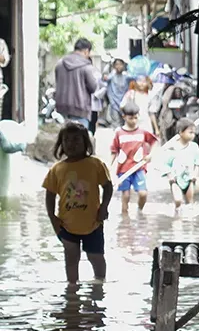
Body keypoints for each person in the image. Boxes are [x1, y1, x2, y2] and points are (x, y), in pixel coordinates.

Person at [43, 122, 112, 284]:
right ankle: (72, 292)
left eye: (76, 140)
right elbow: (50, 195)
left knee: (95, 256)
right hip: (67, 224)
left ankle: (100, 284)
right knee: (71, 258)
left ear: (85, 143)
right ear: (61, 144)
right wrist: (52, 217)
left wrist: (104, 207)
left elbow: (107, 187)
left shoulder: (95, 164)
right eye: (67, 140)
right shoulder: (57, 169)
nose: (71, 144)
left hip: (93, 222)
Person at [111, 101, 158, 215]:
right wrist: (109, 166)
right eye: (130, 118)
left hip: (139, 168)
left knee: (143, 193)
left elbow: (154, 142)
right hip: (123, 169)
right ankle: (125, 218)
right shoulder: (119, 133)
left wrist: (150, 155)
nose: (133, 121)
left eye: (136, 118)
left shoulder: (142, 132)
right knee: (125, 195)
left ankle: (139, 212)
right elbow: (114, 151)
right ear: (124, 117)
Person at [53, 38, 100, 130]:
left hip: (62, 108)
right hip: (80, 109)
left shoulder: (60, 63)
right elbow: (93, 88)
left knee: (65, 137)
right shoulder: (87, 67)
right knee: (80, 139)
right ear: (86, 51)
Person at [160, 118, 199, 210]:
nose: (193, 135)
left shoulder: (194, 147)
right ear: (180, 132)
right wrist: (170, 177)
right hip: (176, 180)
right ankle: (177, 219)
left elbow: (198, 163)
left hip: (189, 179)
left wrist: (194, 175)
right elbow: (166, 165)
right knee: (178, 201)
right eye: (190, 132)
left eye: (194, 133)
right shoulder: (172, 148)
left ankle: (189, 222)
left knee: (189, 204)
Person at [101, 58, 131, 127]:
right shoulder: (111, 76)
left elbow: (135, 78)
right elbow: (104, 78)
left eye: (120, 64)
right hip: (114, 104)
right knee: (117, 124)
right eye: (117, 64)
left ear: (123, 66)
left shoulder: (127, 76)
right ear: (114, 66)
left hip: (124, 104)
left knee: (126, 124)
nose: (119, 66)